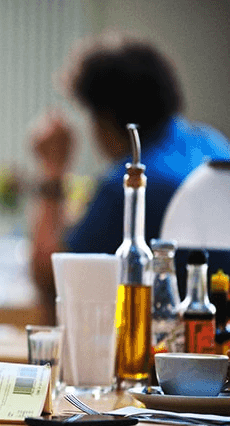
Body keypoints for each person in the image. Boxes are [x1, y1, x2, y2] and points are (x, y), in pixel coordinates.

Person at [29, 32, 230, 324]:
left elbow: (53, 278)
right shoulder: (213, 145)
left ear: (107, 118)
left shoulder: (133, 183)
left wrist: (52, 168)